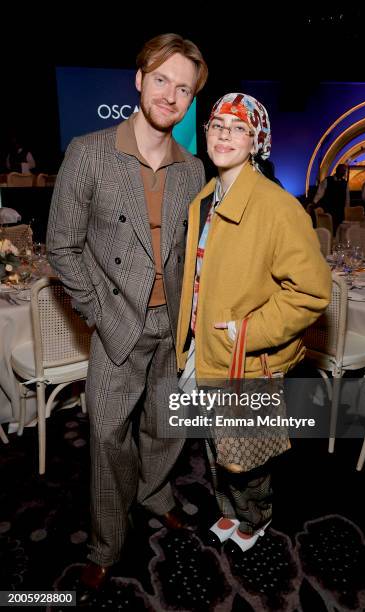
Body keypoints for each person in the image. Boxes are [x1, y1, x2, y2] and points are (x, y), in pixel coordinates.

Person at [46, 33, 208, 600]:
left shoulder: (193, 170)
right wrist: (96, 312)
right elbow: (60, 247)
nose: (171, 94)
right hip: (118, 324)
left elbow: (192, 250)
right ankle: (105, 543)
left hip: (175, 327)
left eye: (183, 88)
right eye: (161, 79)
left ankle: (157, 495)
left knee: (168, 424)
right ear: (138, 80)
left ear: (190, 101)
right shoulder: (89, 151)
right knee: (108, 436)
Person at [176, 93, 331, 553]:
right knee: (215, 445)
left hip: (243, 357)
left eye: (238, 127)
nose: (224, 134)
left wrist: (247, 330)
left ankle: (255, 518)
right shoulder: (204, 197)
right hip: (201, 349)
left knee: (248, 454)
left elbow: (312, 292)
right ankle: (229, 511)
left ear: (256, 140)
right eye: (217, 124)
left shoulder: (277, 207)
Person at [308, 164, 350, 233]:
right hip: (329, 208)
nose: (343, 172)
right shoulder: (327, 180)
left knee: (339, 229)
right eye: (342, 170)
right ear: (337, 170)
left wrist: (347, 208)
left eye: (344, 171)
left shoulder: (345, 183)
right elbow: (320, 193)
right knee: (329, 228)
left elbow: (347, 197)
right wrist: (314, 203)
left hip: (340, 210)